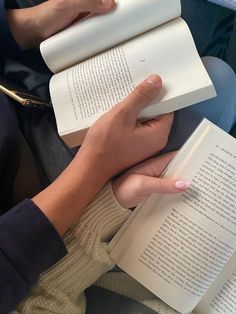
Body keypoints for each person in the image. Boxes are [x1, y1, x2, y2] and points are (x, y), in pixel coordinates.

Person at [0, 0, 192, 313]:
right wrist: (96, 166)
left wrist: (25, 24)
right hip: (47, 201)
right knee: (214, 79)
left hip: (19, 89)